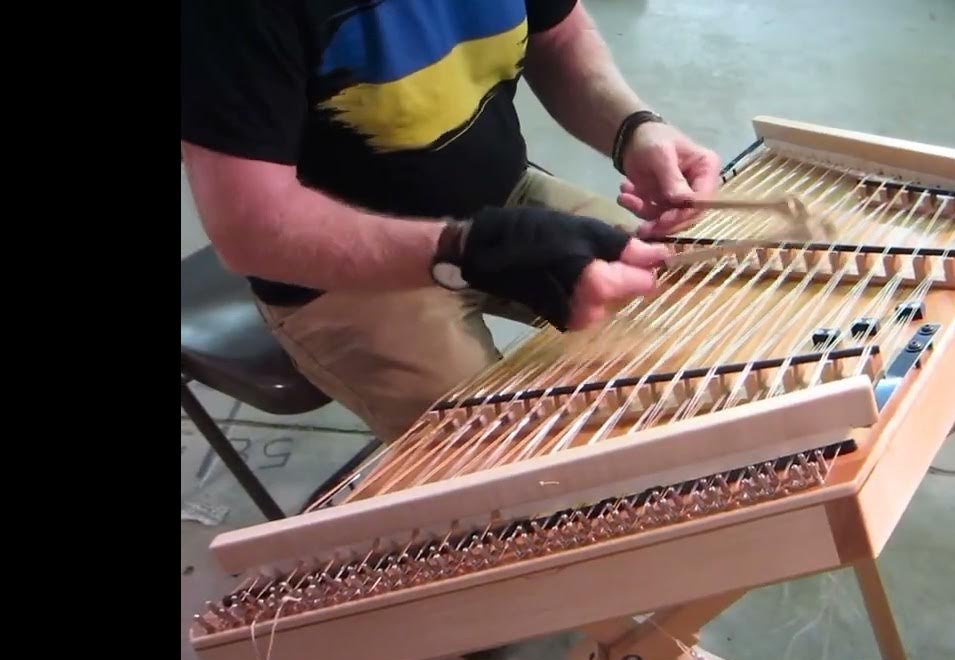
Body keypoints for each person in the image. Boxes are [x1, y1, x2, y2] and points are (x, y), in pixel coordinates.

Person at [180, 0, 722, 444]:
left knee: (705, 312)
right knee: (520, 475)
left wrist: (633, 128)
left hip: (506, 199)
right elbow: (252, 228)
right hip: (337, 276)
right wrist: (469, 251)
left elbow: (556, 35)